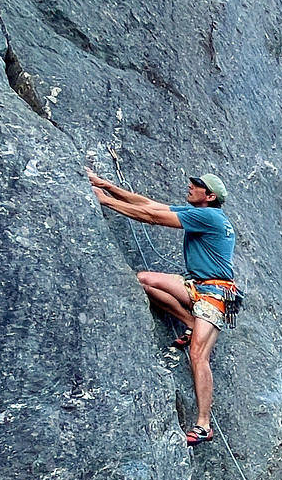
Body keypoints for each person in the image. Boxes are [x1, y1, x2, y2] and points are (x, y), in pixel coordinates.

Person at [87, 168, 237, 446]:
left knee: (198, 356)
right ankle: (189, 322)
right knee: (144, 281)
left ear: (209, 196)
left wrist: (105, 200)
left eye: (197, 185)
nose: (191, 186)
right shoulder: (202, 213)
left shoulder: (209, 217)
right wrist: (105, 185)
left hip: (215, 295)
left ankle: (204, 424)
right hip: (197, 286)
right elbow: (149, 204)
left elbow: (153, 217)